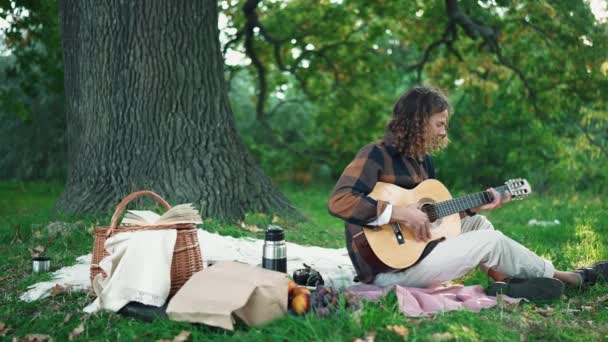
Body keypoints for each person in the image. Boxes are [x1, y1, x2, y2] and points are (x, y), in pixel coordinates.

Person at [328, 85, 606, 300]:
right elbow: (340, 200)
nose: (443, 131)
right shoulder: (375, 154)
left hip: (418, 253)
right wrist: (400, 213)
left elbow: (435, 218)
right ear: (418, 121)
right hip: (386, 271)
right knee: (491, 240)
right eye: (439, 123)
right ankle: (569, 278)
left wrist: (476, 205)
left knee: (479, 224)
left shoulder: (424, 162)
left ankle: (504, 283)